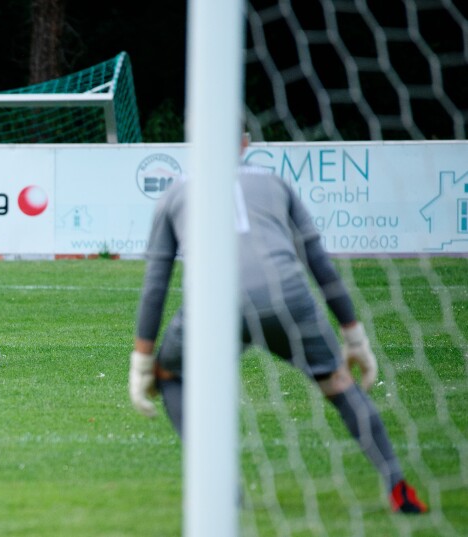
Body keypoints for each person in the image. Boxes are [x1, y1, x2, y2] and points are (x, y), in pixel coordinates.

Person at [129, 133, 428, 514]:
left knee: (170, 375)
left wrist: (141, 362)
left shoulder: (175, 194)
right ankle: (398, 487)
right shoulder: (274, 183)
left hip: (213, 303)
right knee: (337, 381)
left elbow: (157, 281)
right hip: (285, 297)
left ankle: (221, 491)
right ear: (246, 142)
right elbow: (319, 262)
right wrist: (354, 336)